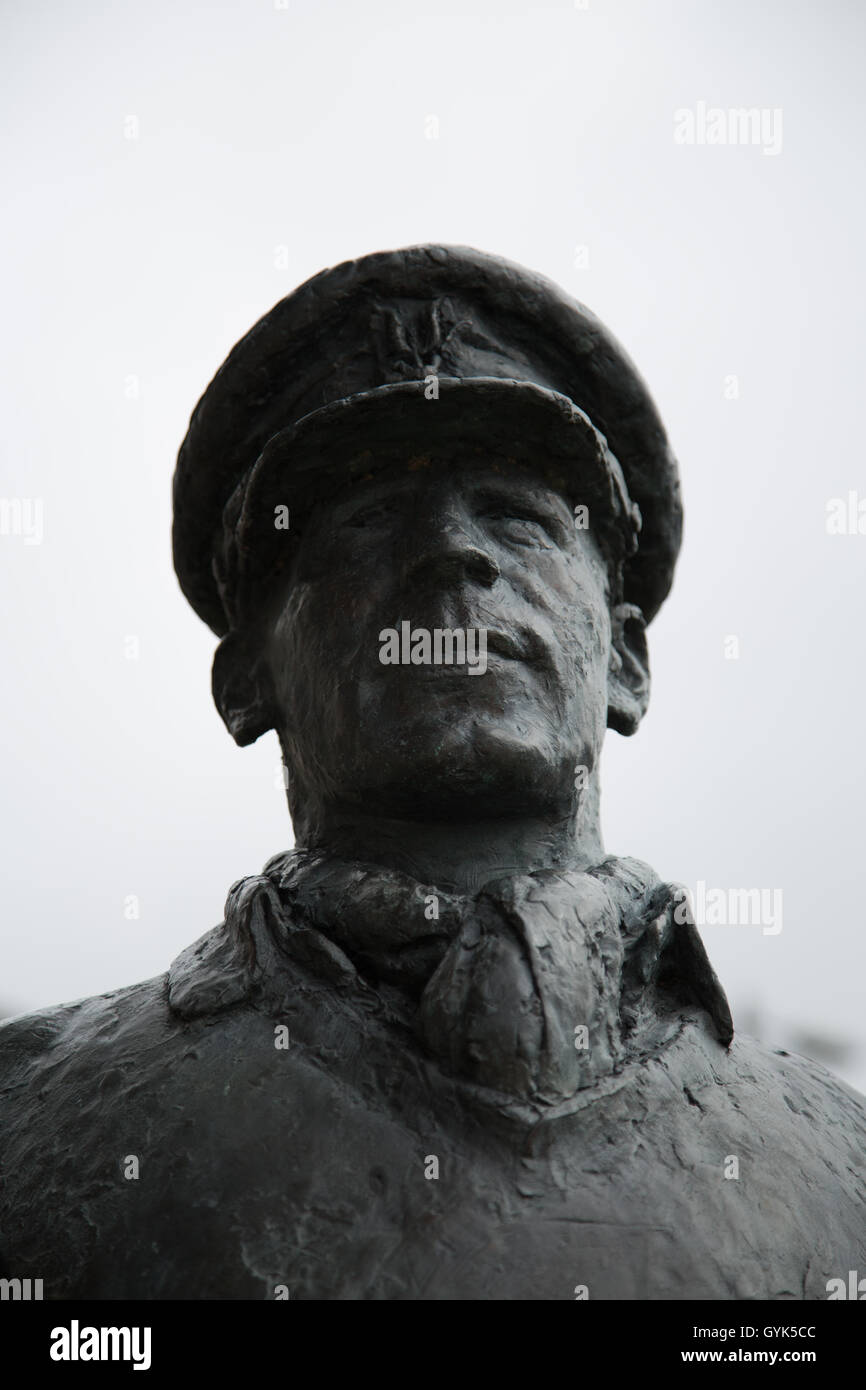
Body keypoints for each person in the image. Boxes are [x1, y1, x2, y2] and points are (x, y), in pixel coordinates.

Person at [1, 246, 863, 1300]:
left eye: (517, 516)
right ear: (243, 681)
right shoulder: (27, 1119)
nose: (450, 553)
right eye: (366, 523)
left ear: (626, 663)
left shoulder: (845, 1163)